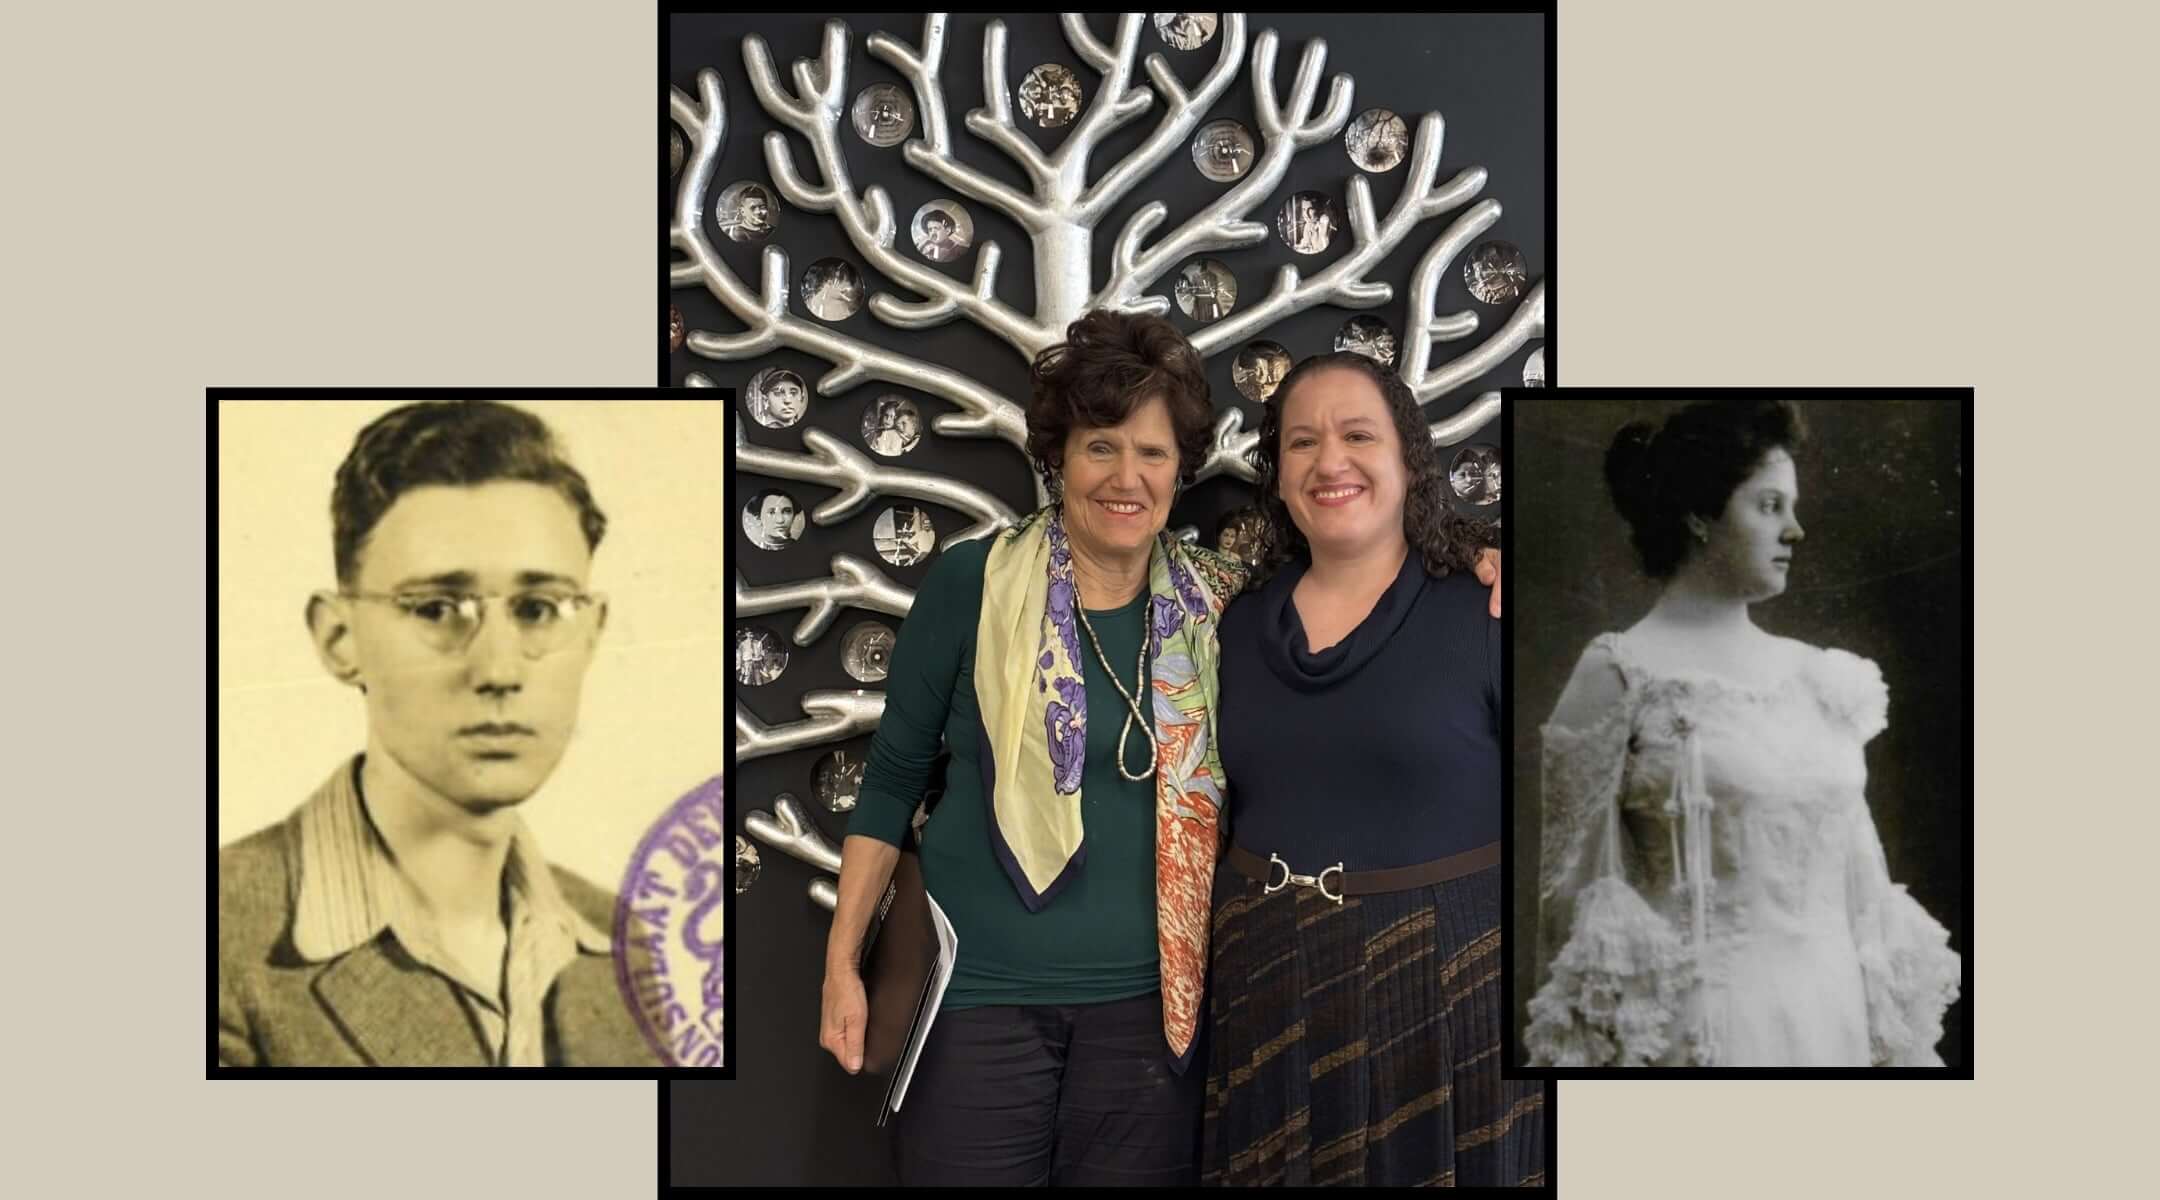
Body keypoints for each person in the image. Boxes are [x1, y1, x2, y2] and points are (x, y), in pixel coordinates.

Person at [818, 314, 1504, 1184]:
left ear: (1182, 471)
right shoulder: (972, 584)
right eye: (1101, 448)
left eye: (1153, 453)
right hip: (979, 1001)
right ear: (1058, 460)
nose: (1126, 478)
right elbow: (889, 784)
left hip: (1157, 1017)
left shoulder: (1224, 607)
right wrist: (842, 964)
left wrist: (1481, 552)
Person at [217, 400, 658, 1067]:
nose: (499, 669)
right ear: (339, 638)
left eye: (538, 609)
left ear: (592, 633)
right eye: (436, 608)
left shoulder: (631, 953)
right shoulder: (215, 940)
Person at [1525, 398, 1960, 1068]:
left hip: (1834, 1021)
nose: (1796, 531)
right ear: (1700, 515)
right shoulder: (1619, 670)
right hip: (1701, 1035)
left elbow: (1863, 887)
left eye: (1792, 507)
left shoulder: (1823, 678)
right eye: (1769, 506)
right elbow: (1564, 903)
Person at [1203, 352, 1540, 1185]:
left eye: (1359, 435)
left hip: (1445, 994)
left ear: (1408, 460)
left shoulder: (1492, 606)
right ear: (1277, 473)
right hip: (1265, 983)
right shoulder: (1233, 626)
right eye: (1302, 442)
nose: (1330, 461)